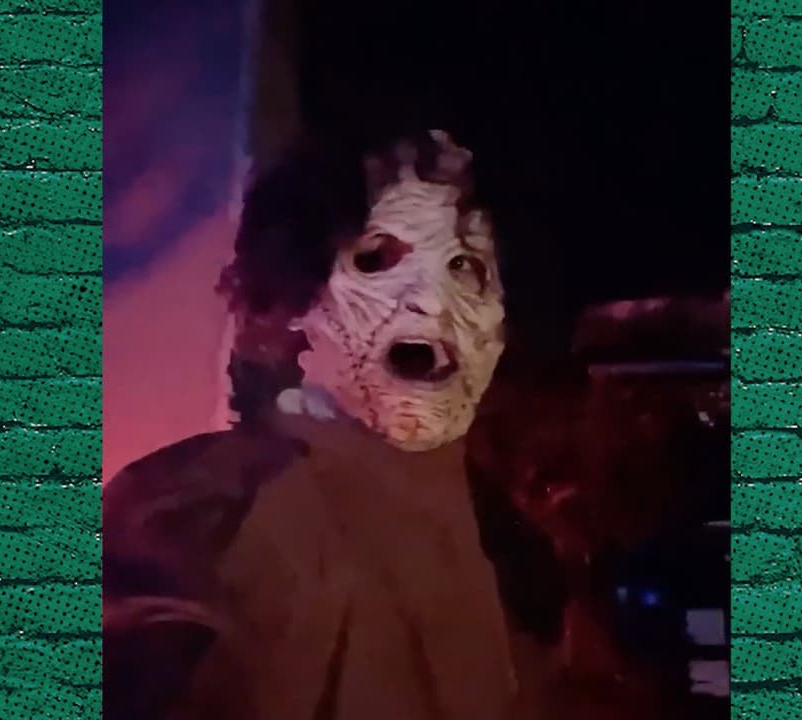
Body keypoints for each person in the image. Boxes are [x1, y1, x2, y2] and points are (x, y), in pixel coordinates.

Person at [102, 129, 555, 719]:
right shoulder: (204, 514)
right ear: (291, 306)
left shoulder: (511, 546)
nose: (431, 302)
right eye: (376, 259)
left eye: (465, 267)